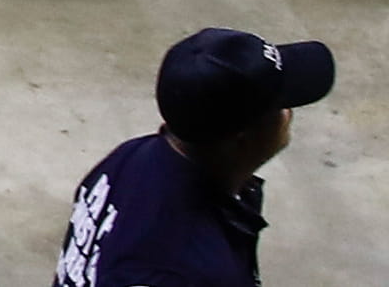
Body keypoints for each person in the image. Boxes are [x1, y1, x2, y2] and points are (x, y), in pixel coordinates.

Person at [54, 27, 332, 287]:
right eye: (280, 105)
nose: (289, 113)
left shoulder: (132, 158)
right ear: (242, 139)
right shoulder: (185, 268)